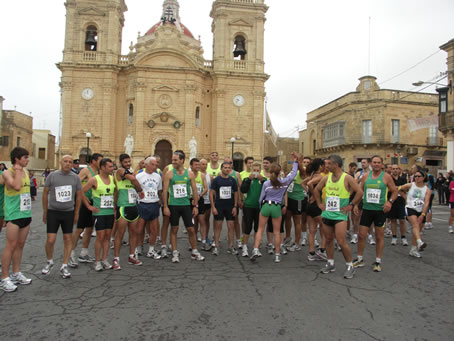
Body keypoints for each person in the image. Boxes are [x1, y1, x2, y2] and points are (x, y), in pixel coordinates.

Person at [313, 154, 363, 279]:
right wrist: (319, 203)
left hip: (340, 215)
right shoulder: (326, 178)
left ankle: (350, 266)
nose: (326, 166)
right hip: (327, 213)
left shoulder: (347, 178)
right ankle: (330, 263)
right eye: (326, 163)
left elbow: (360, 192)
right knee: (328, 239)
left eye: (328, 163)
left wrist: (351, 205)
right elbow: (316, 189)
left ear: (336, 165)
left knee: (341, 241)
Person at [250, 152, 299, 263]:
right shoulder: (284, 182)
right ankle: (277, 255)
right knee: (277, 232)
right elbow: (294, 173)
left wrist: (260, 207)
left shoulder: (267, 183)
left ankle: (256, 249)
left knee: (260, 229)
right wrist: (295, 162)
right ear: (279, 172)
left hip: (266, 205)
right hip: (277, 207)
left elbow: (261, 198)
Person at [353, 155, 398, 272]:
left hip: (380, 211)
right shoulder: (366, 176)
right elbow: (360, 191)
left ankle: (378, 261)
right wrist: (357, 204)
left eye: (379, 162)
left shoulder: (387, 177)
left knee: (379, 236)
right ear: (371, 164)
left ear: (382, 164)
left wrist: (390, 202)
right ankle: (360, 259)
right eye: (374, 162)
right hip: (367, 209)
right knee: (361, 235)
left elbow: (394, 191)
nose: (376, 164)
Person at [41, 155, 82, 278]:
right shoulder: (53, 176)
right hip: (53, 211)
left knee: (67, 239)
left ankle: (64, 265)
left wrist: (76, 212)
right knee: (50, 239)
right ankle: (49, 261)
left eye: (70, 162)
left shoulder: (75, 178)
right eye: (65, 161)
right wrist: (45, 211)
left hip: (68, 212)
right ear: (61, 162)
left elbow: (79, 196)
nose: (68, 164)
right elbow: (45, 193)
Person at [162, 151, 204, 263]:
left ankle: (194, 251)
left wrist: (195, 206)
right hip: (173, 205)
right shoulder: (169, 174)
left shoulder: (189, 174)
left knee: (191, 229)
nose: (173, 162)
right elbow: (165, 191)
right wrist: (165, 207)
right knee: (174, 229)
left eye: (175, 160)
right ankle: (175, 252)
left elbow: (194, 190)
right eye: (172, 160)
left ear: (182, 160)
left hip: (186, 205)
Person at [0, 147, 33, 292]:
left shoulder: (25, 172)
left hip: (25, 214)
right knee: (10, 246)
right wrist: (18, 171)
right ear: (17, 159)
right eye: (25, 157)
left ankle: (16, 272)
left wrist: (21, 171)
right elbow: (17, 186)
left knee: (20, 245)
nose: (27, 160)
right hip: (13, 215)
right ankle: (5, 278)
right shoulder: (8, 173)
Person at [82, 158, 116, 271]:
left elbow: (114, 193)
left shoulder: (112, 179)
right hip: (99, 213)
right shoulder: (94, 180)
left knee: (107, 237)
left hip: (109, 212)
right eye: (110, 167)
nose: (112, 169)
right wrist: (89, 206)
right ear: (102, 168)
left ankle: (104, 259)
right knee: (100, 237)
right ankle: (97, 261)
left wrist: (115, 208)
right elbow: (81, 192)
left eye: (112, 166)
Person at [69, 153, 103, 267]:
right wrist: (83, 199)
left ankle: (84, 253)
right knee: (79, 229)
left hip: (94, 203)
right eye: (100, 160)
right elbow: (76, 185)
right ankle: (70, 254)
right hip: (85, 203)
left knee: (89, 228)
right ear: (93, 161)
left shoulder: (99, 172)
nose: (101, 163)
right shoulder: (86, 171)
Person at [112, 154, 143, 270]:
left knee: (133, 233)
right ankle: (116, 259)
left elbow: (133, 179)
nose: (128, 164)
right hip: (123, 206)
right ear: (121, 163)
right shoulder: (120, 171)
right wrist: (140, 189)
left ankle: (132, 256)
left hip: (132, 205)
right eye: (125, 162)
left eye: (129, 161)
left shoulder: (129, 172)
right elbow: (134, 179)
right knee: (120, 234)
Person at [398, 169, 431, 258]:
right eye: (415, 176)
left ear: (423, 178)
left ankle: (413, 249)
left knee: (417, 231)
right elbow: (399, 189)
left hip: (420, 210)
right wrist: (405, 198)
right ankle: (420, 242)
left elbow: (426, 202)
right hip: (410, 208)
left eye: (418, 176)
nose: (416, 178)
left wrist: (423, 214)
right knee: (415, 225)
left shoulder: (427, 189)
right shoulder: (410, 185)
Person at [136, 156, 162, 261]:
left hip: (154, 204)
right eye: (152, 164)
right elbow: (135, 189)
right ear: (146, 165)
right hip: (142, 204)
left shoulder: (158, 177)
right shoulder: (139, 176)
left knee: (154, 229)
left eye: (156, 165)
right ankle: (138, 247)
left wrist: (160, 200)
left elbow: (159, 190)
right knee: (140, 228)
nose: (155, 166)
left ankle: (151, 250)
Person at [210, 161, 239, 255]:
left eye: (228, 168)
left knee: (231, 226)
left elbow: (236, 193)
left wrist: (235, 206)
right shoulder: (216, 180)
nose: (227, 169)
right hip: (219, 206)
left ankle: (230, 246)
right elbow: (211, 193)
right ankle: (216, 246)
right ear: (221, 168)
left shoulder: (232, 180)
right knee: (218, 226)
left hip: (230, 206)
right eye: (225, 167)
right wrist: (213, 207)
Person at [240, 162, 265, 257]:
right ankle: (245, 247)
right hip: (248, 206)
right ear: (251, 170)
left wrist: (262, 180)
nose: (256, 172)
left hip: (259, 207)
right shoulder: (246, 179)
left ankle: (256, 248)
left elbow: (266, 191)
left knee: (257, 228)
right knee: (248, 227)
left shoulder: (264, 180)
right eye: (254, 170)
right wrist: (248, 180)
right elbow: (243, 190)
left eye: (258, 171)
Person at [304, 158, 326, 261]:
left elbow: (303, 183)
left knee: (312, 231)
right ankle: (322, 250)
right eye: (323, 165)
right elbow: (308, 184)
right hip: (316, 205)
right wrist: (314, 195)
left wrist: (310, 195)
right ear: (320, 166)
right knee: (324, 228)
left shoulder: (312, 175)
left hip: (309, 205)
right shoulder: (320, 177)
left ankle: (311, 253)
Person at [284, 155, 306, 251]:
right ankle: (288, 238)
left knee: (297, 221)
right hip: (289, 198)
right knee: (287, 218)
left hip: (298, 199)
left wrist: (298, 161)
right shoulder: (293, 171)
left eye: (297, 160)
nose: (295, 161)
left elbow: (301, 170)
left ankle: (297, 243)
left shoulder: (303, 170)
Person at [190, 158, 208, 248]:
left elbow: (205, 188)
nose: (197, 166)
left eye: (198, 165)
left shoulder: (202, 175)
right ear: (191, 166)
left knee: (202, 220)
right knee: (193, 222)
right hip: (190, 200)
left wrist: (200, 195)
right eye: (195, 165)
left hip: (200, 199)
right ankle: (193, 240)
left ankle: (204, 240)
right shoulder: (189, 175)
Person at [388, 165, 408, 246]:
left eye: (396, 169)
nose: (395, 170)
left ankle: (403, 237)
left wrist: (396, 188)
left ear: (399, 170)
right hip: (392, 201)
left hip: (401, 201)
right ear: (391, 170)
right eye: (393, 169)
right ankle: (394, 237)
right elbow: (388, 188)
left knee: (402, 220)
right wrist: (399, 188)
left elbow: (406, 189)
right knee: (393, 220)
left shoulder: (403, 179)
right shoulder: (389, 179)